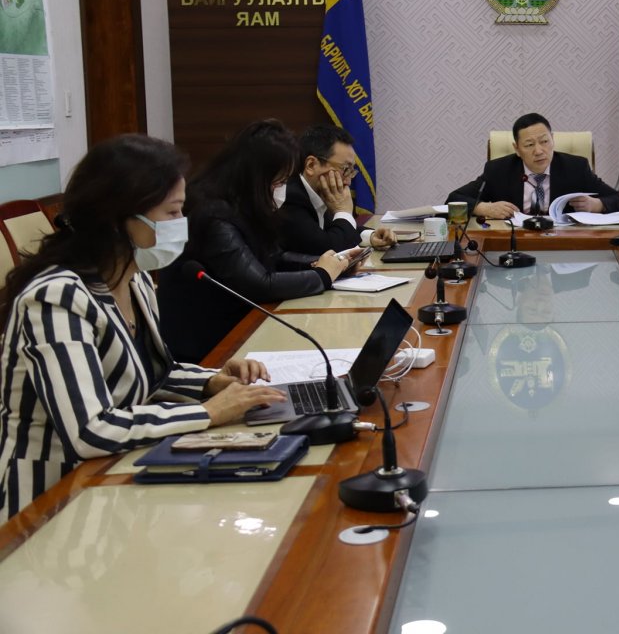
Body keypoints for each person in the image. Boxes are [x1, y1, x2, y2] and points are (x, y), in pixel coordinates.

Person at [0, 135, 285, 519]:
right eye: (172, 213)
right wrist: (208, 413)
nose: (182, 225)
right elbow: (90, 430)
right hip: (50, 502)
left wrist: (211, 382)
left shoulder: (135, 280)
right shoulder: (57, 298)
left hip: (114, 477)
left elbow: (147, 374)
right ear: (120, 220)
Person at [158, 120, 355, 363]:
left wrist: (331, 263)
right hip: (208, 345)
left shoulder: (244, 205)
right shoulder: (212, 214)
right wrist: (322, 275)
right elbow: (258, 284)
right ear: (256, 177)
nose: (281, 189)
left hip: (240, 329)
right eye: (278, 182)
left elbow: (273, 256)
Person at [446, 113, 619, 219]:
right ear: (517, 149)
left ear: (553, 140)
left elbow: (616, 199)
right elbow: (453, 199)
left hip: (563, 244)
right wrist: (485, 208)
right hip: (513, 245)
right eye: (529, 145)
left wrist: (596, 205)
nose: (539, 151)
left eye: (544, 141)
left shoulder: (576, 167)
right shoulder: (498, 170)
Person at [277, 125, 396, 254]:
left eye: (351, 171)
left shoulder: (318, 191)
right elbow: (327, 250)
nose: (348, 181)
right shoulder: (290, 200)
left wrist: (371, 236)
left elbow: (334, 230)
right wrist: (343, 211)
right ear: (311, 165)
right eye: (345, 169)